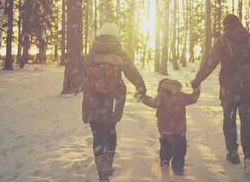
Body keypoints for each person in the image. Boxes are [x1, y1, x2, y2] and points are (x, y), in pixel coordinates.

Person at [191, 14, 250, 176]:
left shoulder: (223, 41)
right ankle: (248, 157)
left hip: (229, 91)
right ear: (239, 24)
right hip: (248, 89)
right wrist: (246, 61)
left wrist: (198, 80)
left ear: (226, 26)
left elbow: (211, 61)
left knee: (229, 121)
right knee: (248, 122)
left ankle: (232, 154)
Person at [82, 23, 146, 182]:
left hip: (92, 99)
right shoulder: (120, 53)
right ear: (116, 36)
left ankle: (102, 173)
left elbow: (84, 72)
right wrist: (141, 87)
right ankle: (108, 165)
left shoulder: (92, 52)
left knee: (97, 136)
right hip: (112, 100)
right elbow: (131, 71)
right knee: (110, 130)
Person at [135, 78, 200, 175]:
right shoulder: (182, 96)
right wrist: (196, 88)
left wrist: (142, 97)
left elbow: (154, 103)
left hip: (165, 129)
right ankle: (178, 168)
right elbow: (193, 98)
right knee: (180, 149)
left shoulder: (162, 95)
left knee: (165, 145)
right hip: (179, 130)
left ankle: (164, 160)